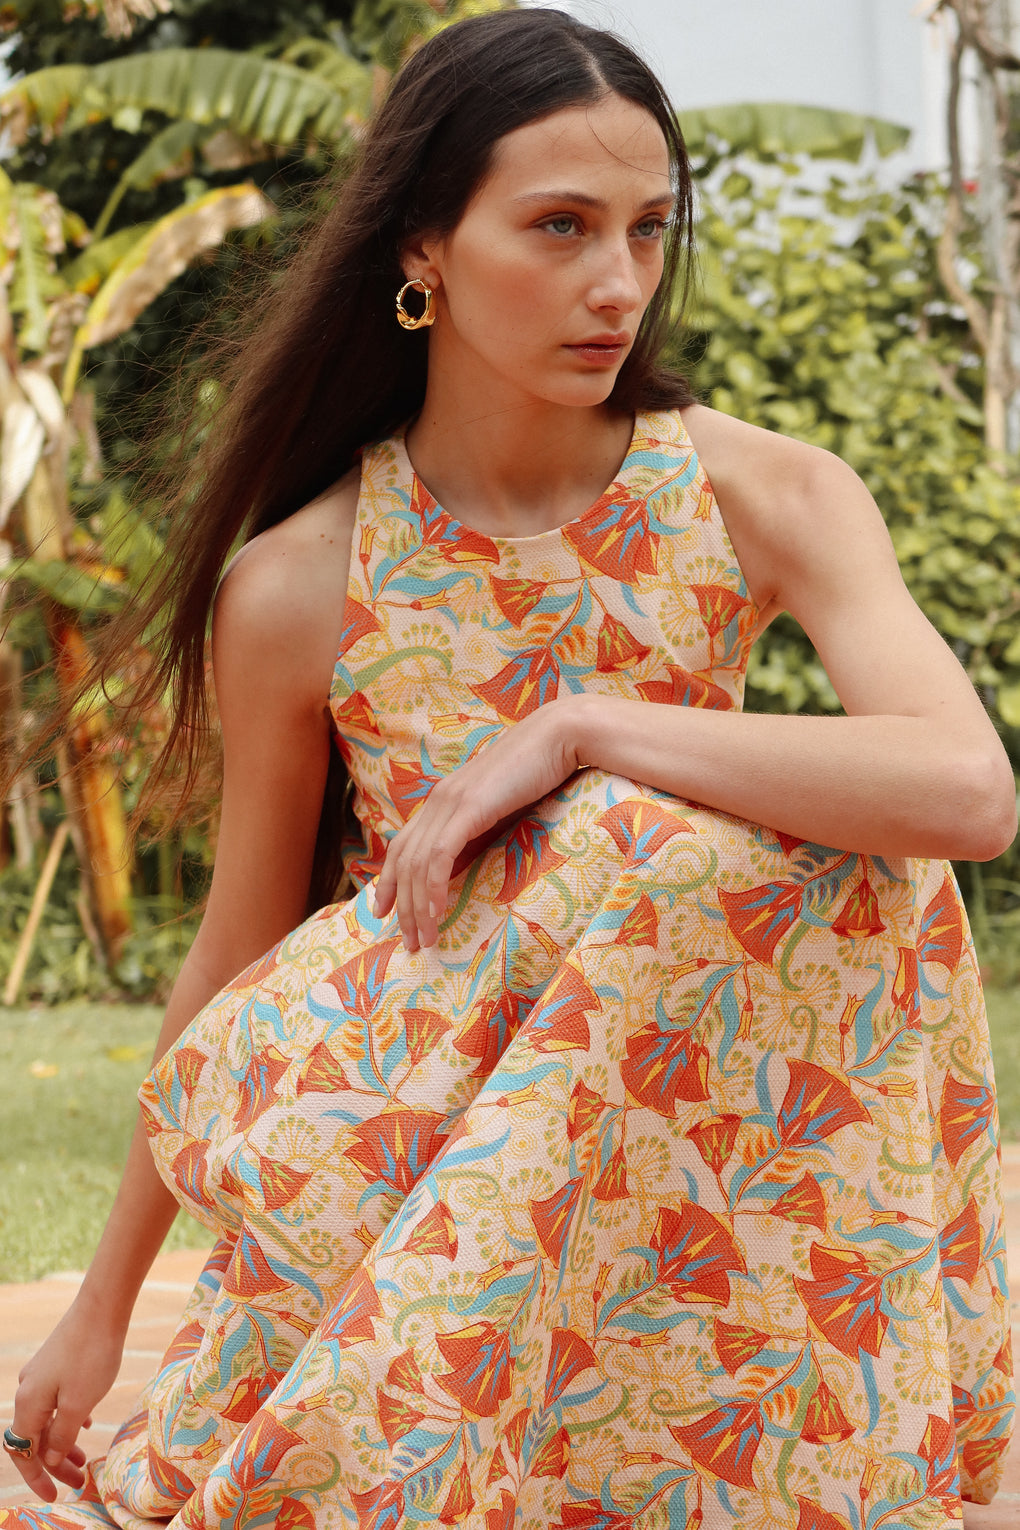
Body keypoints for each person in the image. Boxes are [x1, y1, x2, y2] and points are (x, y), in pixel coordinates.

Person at [2, 9, 1016, 1529]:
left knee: (753, 848)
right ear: (423, 245)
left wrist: (579, 728)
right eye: (559, 227)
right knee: (643, 841)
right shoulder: (305, 582)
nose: (619, 284)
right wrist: (104, 1306)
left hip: (682, 1104)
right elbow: (237, 950)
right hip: (412, 1102)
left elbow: (969, 793)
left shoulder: (768, 494)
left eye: (647, 229)